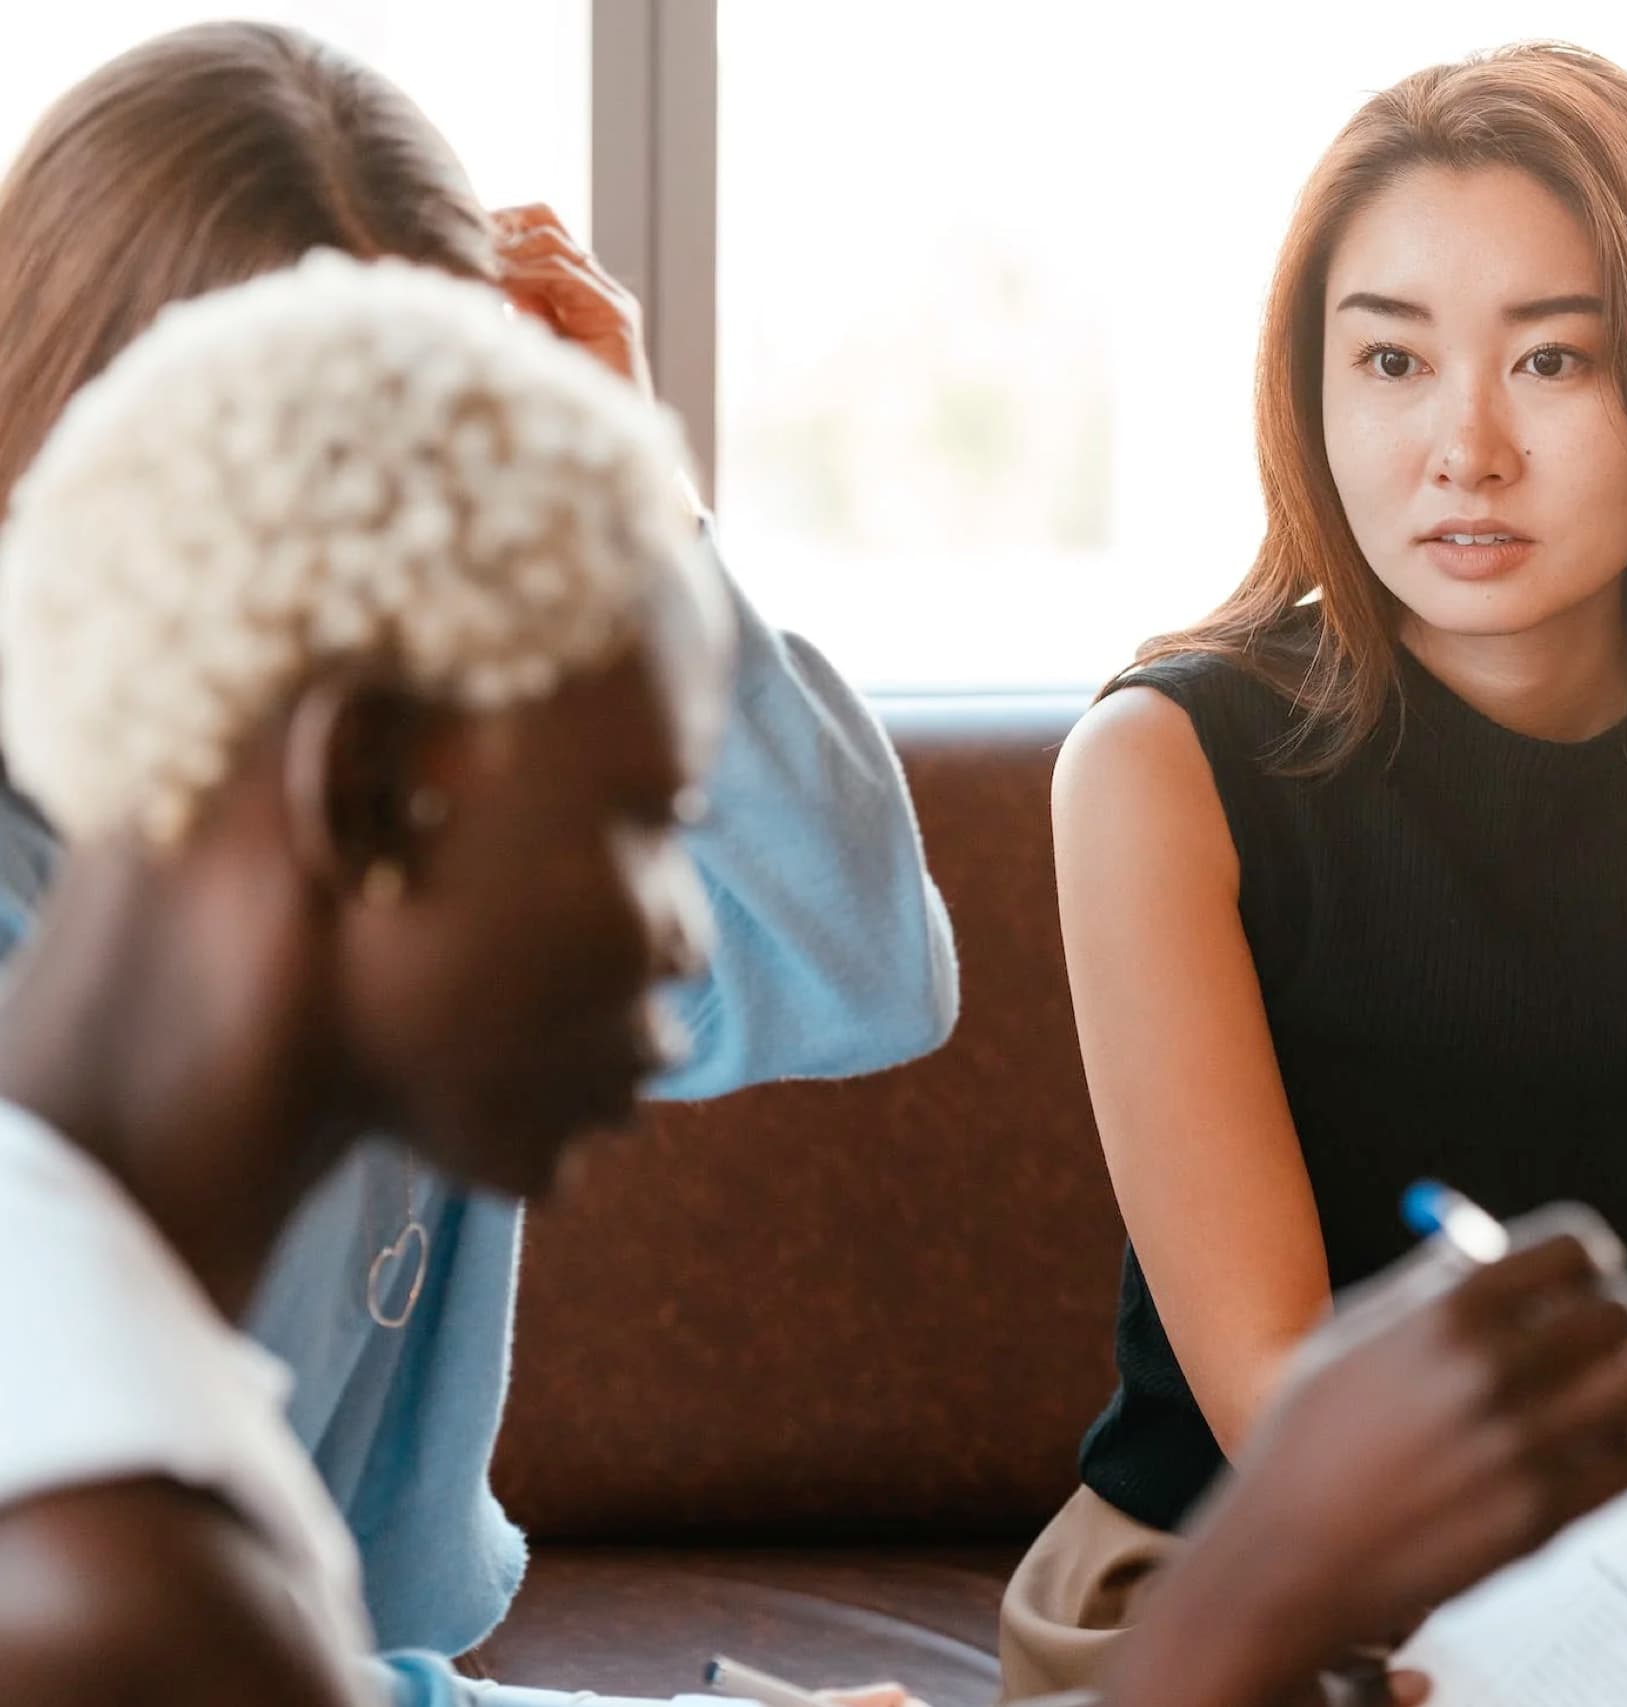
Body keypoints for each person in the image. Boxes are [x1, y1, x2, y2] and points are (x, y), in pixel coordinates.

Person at [0, 252, 1627, 1707]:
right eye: (640, 824)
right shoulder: (104, 1580)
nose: (685, 934)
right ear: (372, 789)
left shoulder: (116, 1387)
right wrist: (1260, 1579)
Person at [1002, 41, 1627, 1697]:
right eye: (1389, 360)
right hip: (1244, 1570)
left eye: (1552, 363)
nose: (1463, 447)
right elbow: (1275, 1406)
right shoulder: (1161, 770)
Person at [0, 22, 956, 1661]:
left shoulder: (420, 829)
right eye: (338, 464)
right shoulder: (105, 1551)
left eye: (456, 425)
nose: (416, 551)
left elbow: (864, 968)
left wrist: (623, 509)